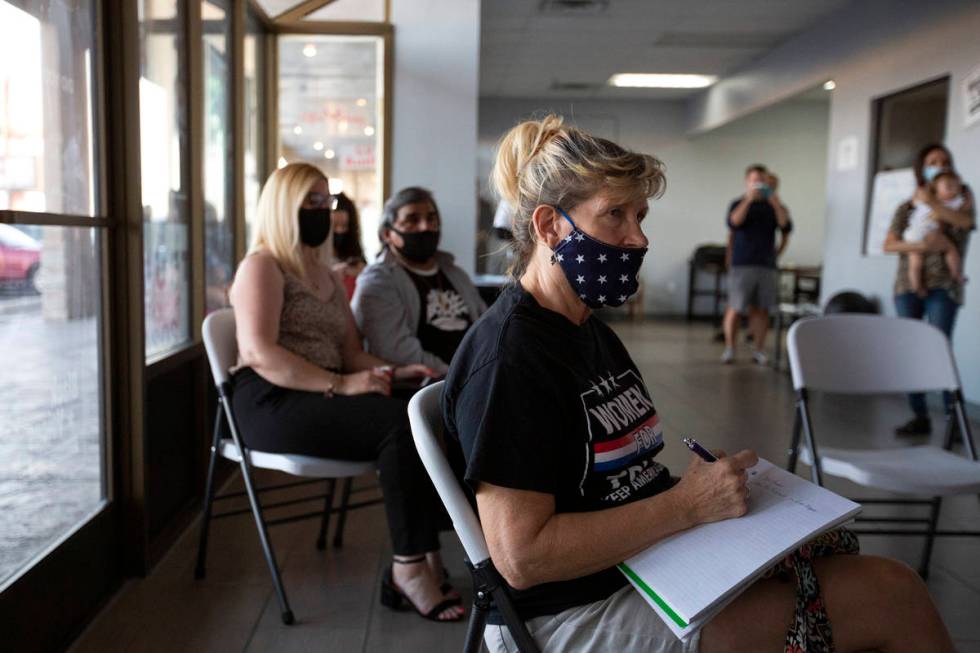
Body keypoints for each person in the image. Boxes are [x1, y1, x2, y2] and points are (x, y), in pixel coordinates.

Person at [443, 115, 953, 653]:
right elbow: (523, 558)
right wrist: (685, 506)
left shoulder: (588, 331)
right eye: (614, 214)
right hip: (572, 611)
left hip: (648, 565)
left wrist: (710, 496)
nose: (638, 237)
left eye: (640, 215)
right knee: (891, 594)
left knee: (840, 563)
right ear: (550, 227)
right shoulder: (511, 359)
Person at [228, 164, 463, 622]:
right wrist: (342, 384)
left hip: (320, 390)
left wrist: (397, 371)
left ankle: (429, 552)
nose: (325, 210)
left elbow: (352, 352)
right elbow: (259, 353)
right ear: (283, 207)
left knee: (422, 411)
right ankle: (409, 568)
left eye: (327, 200)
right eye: (311, 202)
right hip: (270, 399)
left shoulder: (324, 273)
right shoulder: (261, 266)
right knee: (398, 426)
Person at [884, 143, 975, 437]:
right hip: (907, 285)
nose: (938, 164)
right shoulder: (908, 206)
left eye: (944, 161)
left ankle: (954, 420)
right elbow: (889, 244)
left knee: (939, 349)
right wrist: (921, 246)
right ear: (922, 167)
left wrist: (934, 203)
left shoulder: (960, 200)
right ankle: (919, 415)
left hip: (944, 287)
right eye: (932, 161)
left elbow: (967, 223)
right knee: (911, 350)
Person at [352, 187, 486, 376]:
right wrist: (457, 378)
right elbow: (396, 351)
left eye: (431, 219)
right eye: (412, 220)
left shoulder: (456, 274)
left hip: (477, 375)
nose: (425, 227)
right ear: (387, 234)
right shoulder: (377, 280)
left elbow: (486, 328)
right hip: (426, 387)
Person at [721, 164, 792, 365]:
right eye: (754, 180)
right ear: (747, 182)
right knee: (734, 308)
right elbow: (733, 224)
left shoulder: (775, 205)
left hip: (766, 265)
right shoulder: (738, 203)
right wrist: (748, 199)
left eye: (761, 180)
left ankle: (759, 350)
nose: (758, 184)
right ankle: (729, 348)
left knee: (762, 309)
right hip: (742, 263)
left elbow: (785, 226)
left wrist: (775, 203)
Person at [903, 171, 966, 297]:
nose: (954, 190)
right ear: (936, 189)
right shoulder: (949, 203)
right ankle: (956, 274)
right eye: (949, 187)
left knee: (915, 262)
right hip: (926, 232)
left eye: (956, 187)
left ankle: (917, 286)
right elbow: (959, 214)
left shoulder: (924, 200)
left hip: (910, 233)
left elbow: (915, 202)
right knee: (950, 249)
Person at [329, 192, 367, 301]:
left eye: (344, 226)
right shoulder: (314, 257)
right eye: (335, 226)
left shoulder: (354, 255)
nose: (340, 230)